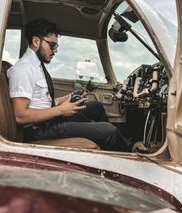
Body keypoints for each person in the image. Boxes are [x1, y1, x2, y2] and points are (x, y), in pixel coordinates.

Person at [7, 18, 130, 151]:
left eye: (56, 46)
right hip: (39, 129)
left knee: (96, 107)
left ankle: (109, 148)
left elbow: (41, 101)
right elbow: (20, 115)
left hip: (49, 121)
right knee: (109, 131)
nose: (55, 51)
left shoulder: (36, 65)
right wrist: (61, 110)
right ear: (36, 41)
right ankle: (128, 156)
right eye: (52, 45)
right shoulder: (23, 69)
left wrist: (66, 98)